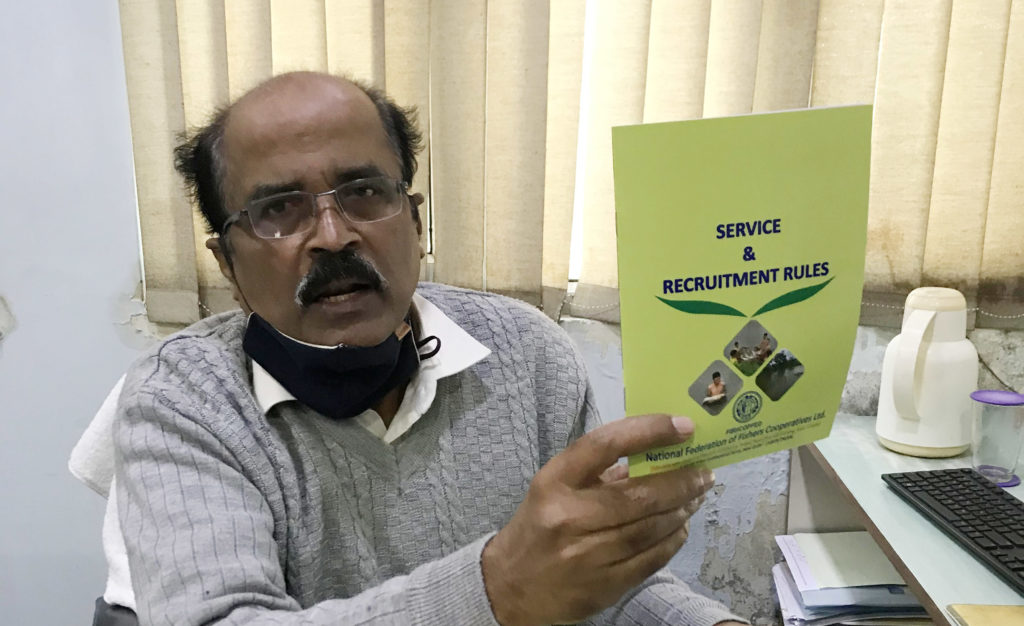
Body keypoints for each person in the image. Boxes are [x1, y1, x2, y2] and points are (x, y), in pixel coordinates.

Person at [112, 71, 748, 625]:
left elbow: (601, 583)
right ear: (227, 262)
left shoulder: (528, 353)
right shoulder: (183, 401)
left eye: (364, 192)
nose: (333, 236)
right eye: (279, 209)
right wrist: (500, 589)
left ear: (414, 222)